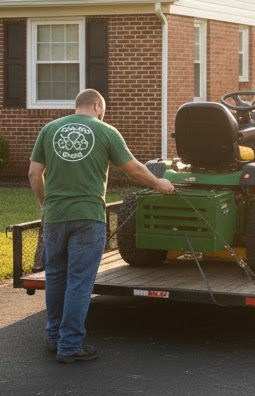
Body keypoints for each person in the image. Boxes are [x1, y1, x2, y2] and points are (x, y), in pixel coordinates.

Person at [29, 88, 175, 363]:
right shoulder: (105, 131)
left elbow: (34, 173)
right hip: (88, 217)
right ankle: (70, 346)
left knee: (57, 278)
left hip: (56, 215)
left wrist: (44, 205)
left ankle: (54, 338)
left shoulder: (49, 130)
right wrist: (158, 183)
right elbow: (132, 168)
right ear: (97, 105)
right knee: (79, 282)